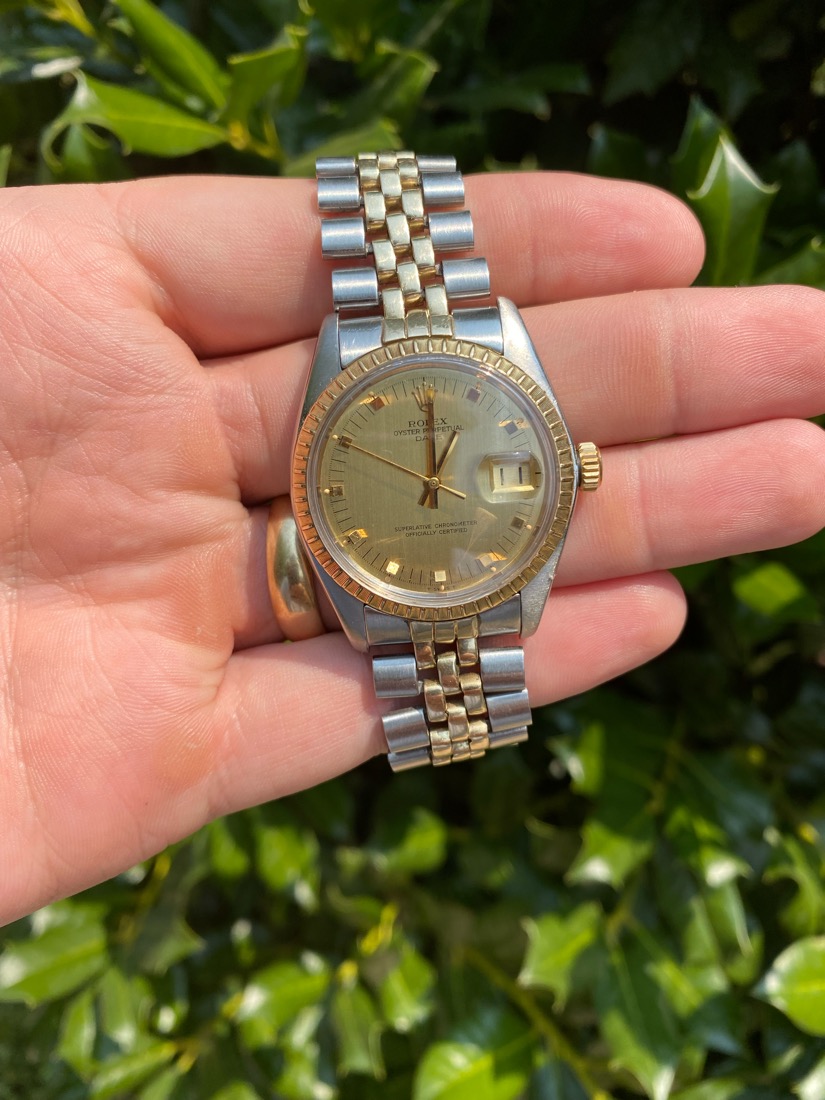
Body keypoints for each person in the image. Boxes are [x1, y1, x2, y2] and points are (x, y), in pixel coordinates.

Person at [0, 171, 823, 927]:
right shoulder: (399, 375)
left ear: (573, 468)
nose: (432, 485)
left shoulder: (488, 372)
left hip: (440, 554)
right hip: (409, 563)